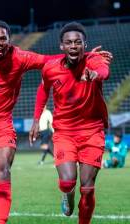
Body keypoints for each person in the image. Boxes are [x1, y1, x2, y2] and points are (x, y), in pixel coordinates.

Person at [0, 20, 112, 224]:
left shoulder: (21, 57)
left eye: (3, 38)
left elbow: (51, 59)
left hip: (3, 123)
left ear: (10, 41)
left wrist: (89, 56)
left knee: (5, 169)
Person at [29, 22, 110, 224]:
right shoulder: (50, 69)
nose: (74, 46)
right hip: (64, 131)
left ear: (84, 44)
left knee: (88, 187)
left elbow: (104, 71)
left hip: (92, 130)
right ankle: (67, 194)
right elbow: (42, 91)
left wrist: (94, 75)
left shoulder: (94, 60)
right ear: (61, 46)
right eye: (69, 42)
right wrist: (36, 119)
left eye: (78, 42)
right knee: (67, 182)